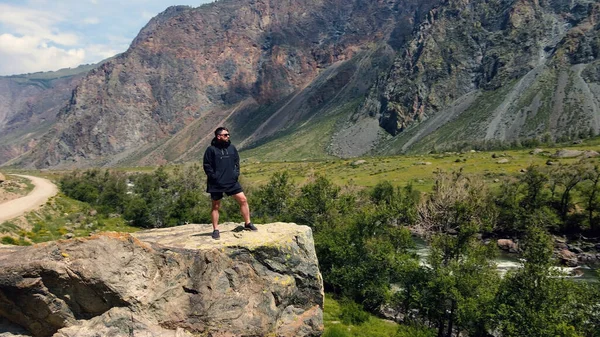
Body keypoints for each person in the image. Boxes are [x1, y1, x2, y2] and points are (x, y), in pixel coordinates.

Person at [203, 127, 257, 239]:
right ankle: (216, 229)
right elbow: (207, 165)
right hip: (216, 183)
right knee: (216, 206)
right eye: (225, 135)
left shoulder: (232, 148)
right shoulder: (211, 150)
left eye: (228, 134)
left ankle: (247, 223)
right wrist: (214, 177)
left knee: (243, 200)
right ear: (219, 136)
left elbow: (236, 162)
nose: (228, 136)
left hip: (231, 181)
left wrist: (235, 174)